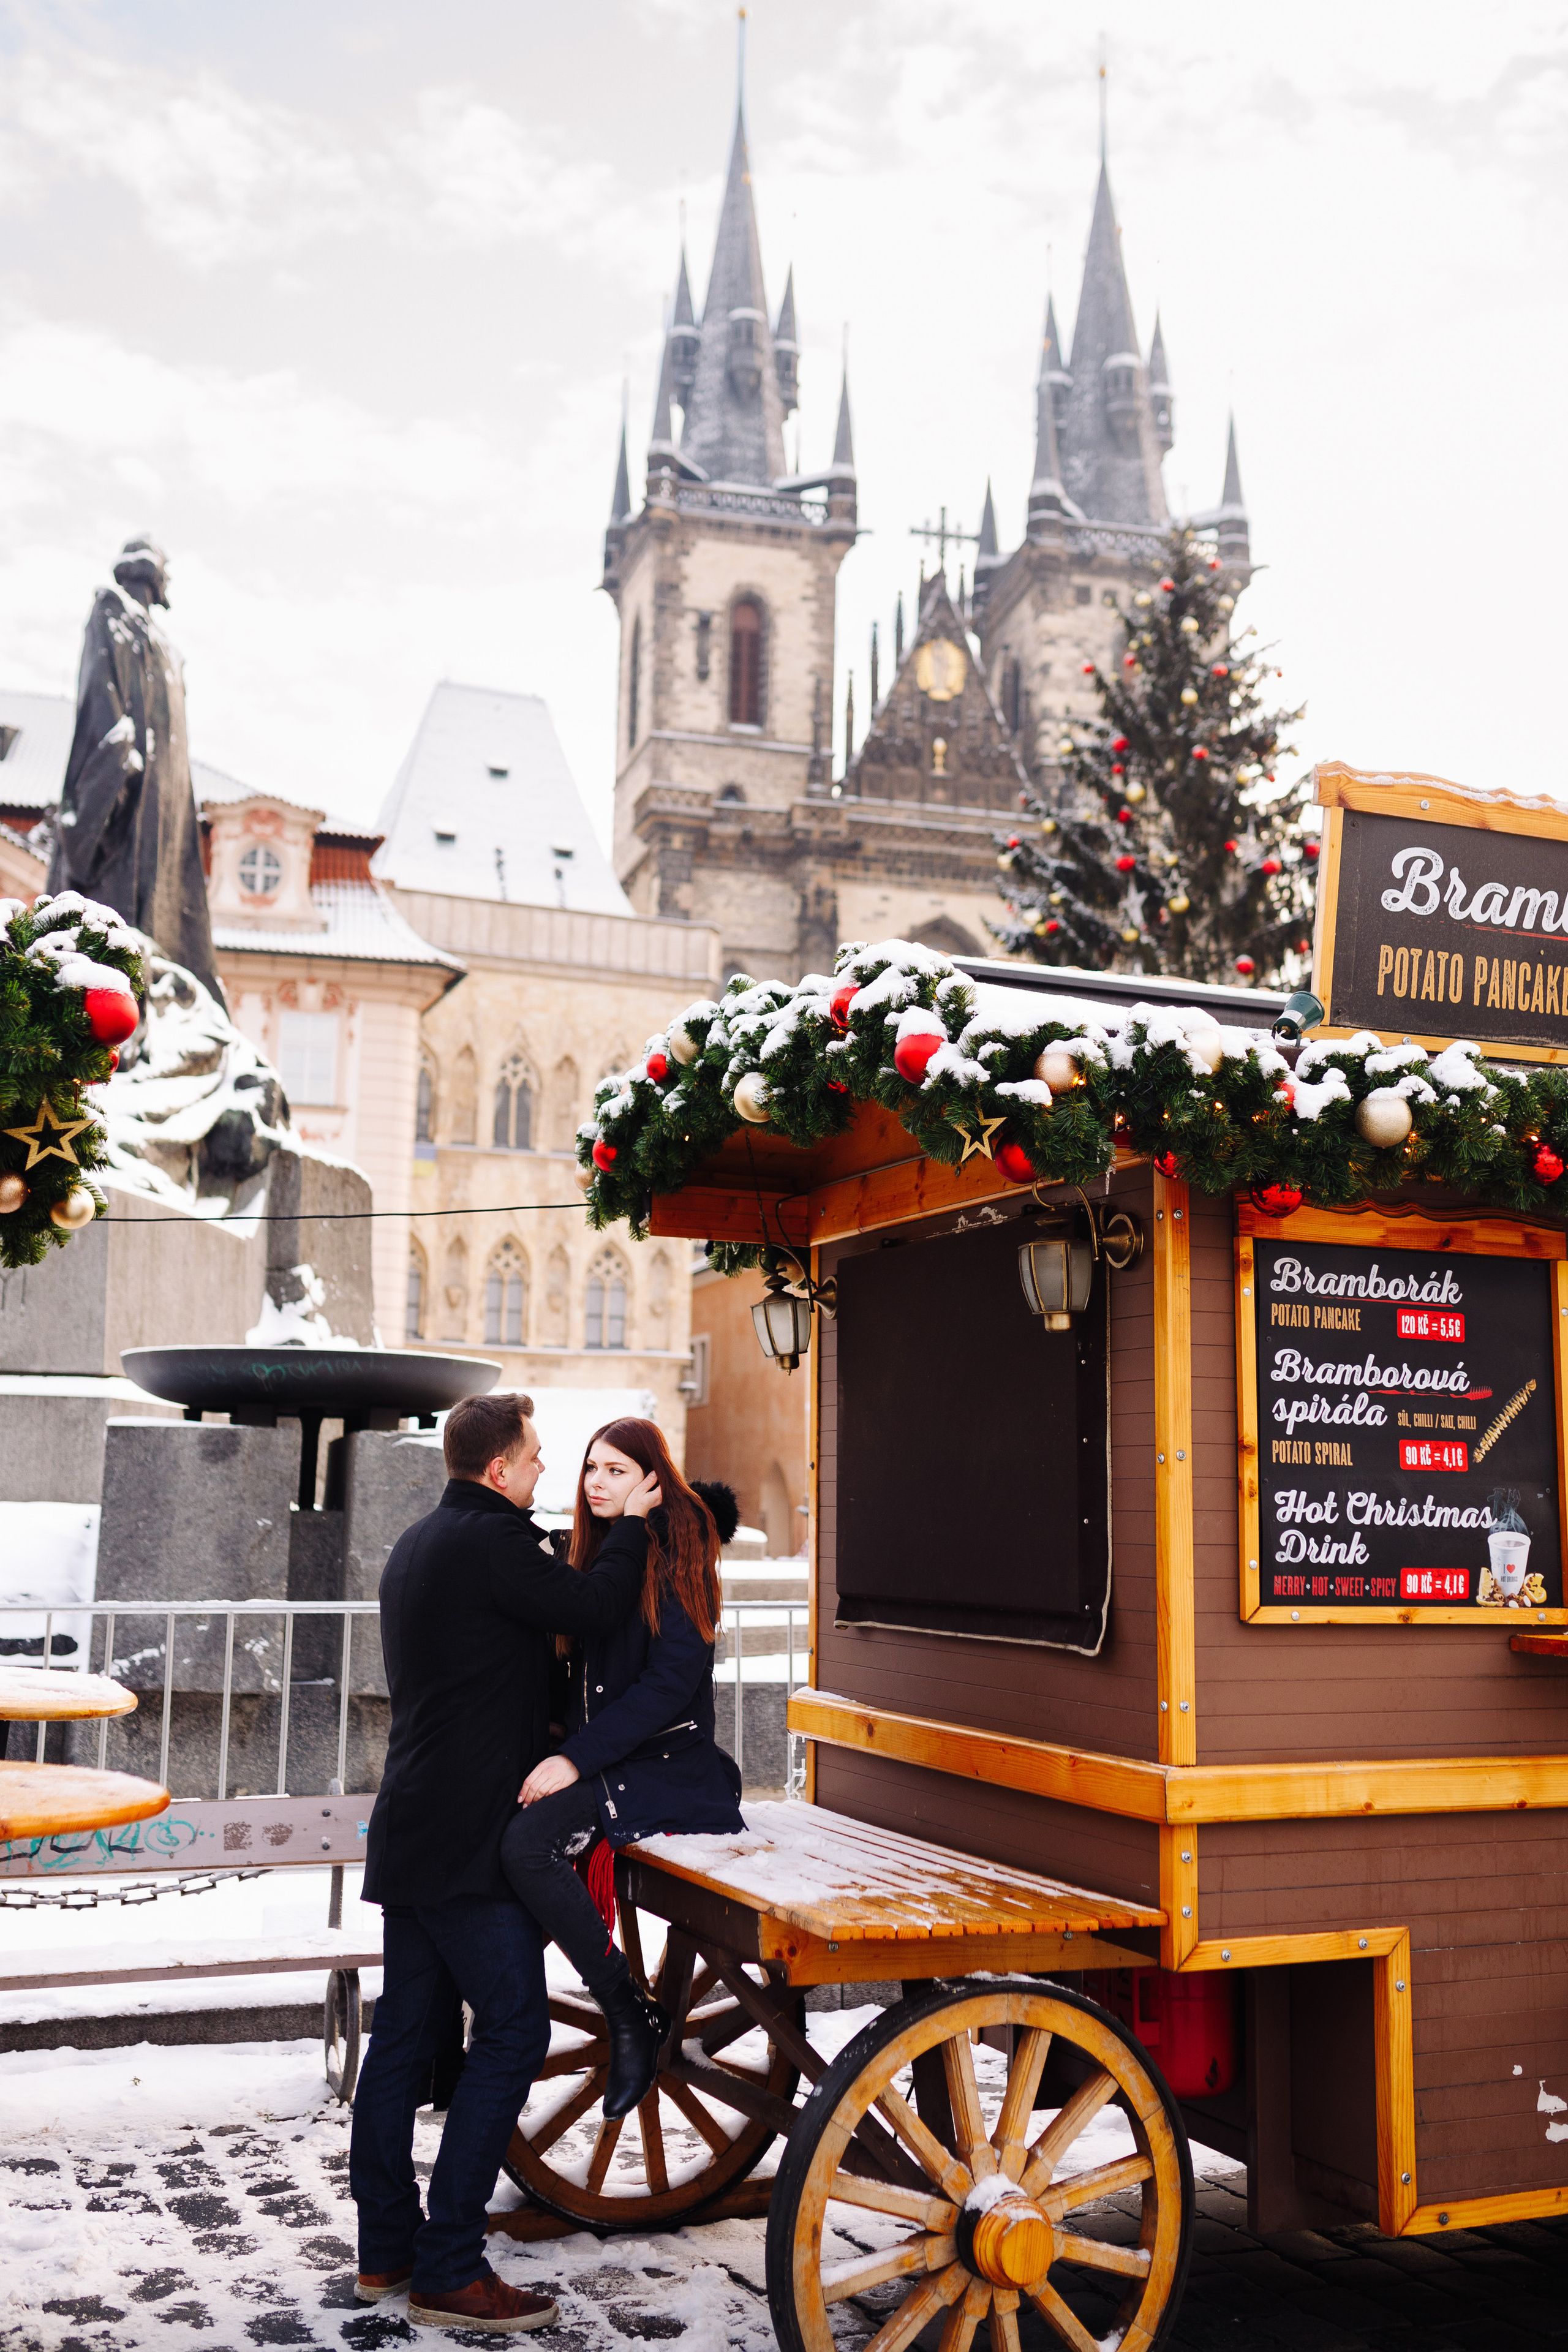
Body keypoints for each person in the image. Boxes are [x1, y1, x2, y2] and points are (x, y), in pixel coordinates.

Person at [350, 1392, 652, 2335]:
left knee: (400, 2042)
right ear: (498, 1470)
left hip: (412, 1826)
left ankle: (388, 2251)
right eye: (532, 1458)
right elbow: (597, 1601)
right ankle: (449, 2265)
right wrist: (637, 1524)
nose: (542, 1472)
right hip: (473, 1842)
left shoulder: (416, 1544)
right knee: (515, 2033)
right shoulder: (494, 1544)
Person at [500, 1417, 743, 2120]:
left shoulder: (679, 1554)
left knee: (528, 1844)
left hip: (666, 1768)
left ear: (652, 1483)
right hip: (609, 1759)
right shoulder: (596, 1551)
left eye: (616, 1471)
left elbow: (668, 1686)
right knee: (506, 1829)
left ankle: (627, 2008)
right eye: (591, 1468)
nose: (597, 1482)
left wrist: (574, 1759)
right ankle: (500, 2009)